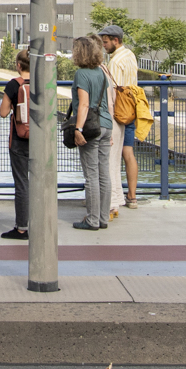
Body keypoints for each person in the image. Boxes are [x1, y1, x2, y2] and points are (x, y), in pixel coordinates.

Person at [69, 35, 112, 231]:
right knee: (104, 174)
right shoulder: (101, 73)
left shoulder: (82, 75)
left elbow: (84, 104)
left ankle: (92, 219)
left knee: (91, 175)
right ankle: (103, 217)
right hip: (105, 124)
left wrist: (78, 129)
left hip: (90, 128)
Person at [97, 24, 140, 215]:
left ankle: (110, 200)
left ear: (116, 40)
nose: (104, 46)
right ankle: (132, 196)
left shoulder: (114, 62)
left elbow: (111, 91)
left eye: (106, 42)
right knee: (128, 153)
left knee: (111, 158)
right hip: (131, 109)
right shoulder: (130, 55)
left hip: (117, 112)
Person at [0, 49, 32, 240]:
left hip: (19, 140)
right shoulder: (41, 82)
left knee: (22, 184)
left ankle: (21, 227)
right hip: (40, 141)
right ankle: (40, 222)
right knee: (39, 183)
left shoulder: (13, 84)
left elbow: (3, 112)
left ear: (18, 65)